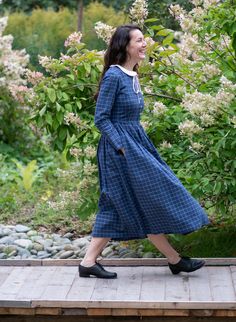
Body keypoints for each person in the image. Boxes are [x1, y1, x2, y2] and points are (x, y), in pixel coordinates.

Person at [79, 24, 209, 279]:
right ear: (124, 46)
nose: (144, 44)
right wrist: (123, 146)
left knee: (134, 201)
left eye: (144, 39)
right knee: (140, 197)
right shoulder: (114, 76)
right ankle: (174, 260)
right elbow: (101, 118)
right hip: (119, 150)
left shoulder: (132, 75)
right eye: (139, 40)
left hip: (135, 144)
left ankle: (90, 262)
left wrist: (136, 144)